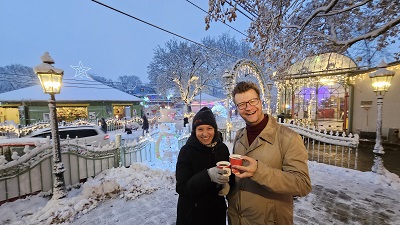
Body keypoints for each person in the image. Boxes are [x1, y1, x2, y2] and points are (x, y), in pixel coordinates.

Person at [227, 81, 312, 225]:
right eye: (241, 104)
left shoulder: (288, 138)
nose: (248, 108)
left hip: (269, 220)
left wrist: (259, 171)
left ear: (260, 102)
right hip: (236, 218)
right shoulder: (239, 135)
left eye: (252, 101)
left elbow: (302, 184)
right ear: (237, 108)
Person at [176, 107, 230, 225]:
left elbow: (228, 173)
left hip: (216, 213)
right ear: (194, 131)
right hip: (192, 214)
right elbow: (181, 187)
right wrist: (208, 175)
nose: (205, 134)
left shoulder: (222, 149)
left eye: (209, 128)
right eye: (200, 129)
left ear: (215, 130)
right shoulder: (187, 151)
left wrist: (227, 184)